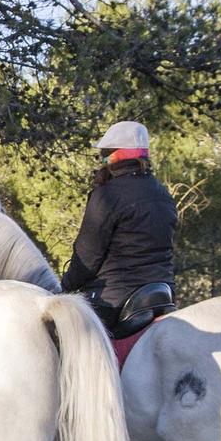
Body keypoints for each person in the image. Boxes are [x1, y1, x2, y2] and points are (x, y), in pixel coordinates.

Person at [60, 120, 178, 334]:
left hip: (114, 300)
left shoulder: (107, 195)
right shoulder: (163, 194)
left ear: (111, 156)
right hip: (162, 294)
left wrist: (66, 285)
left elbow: (87, 256)